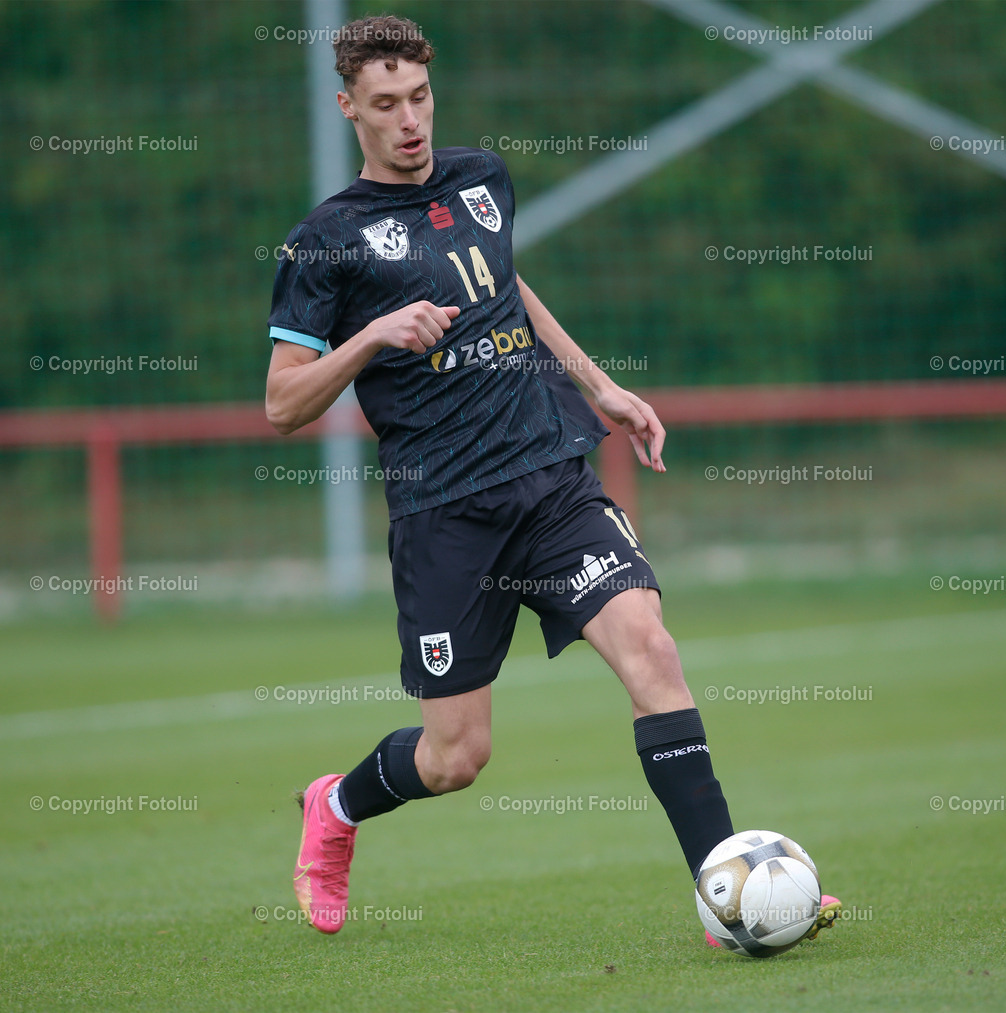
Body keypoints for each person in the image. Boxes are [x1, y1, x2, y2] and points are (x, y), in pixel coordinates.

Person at [265, 13, 837, 946]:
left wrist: (599, 383)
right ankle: (335, 807)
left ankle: (723, 893)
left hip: (548, 475)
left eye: (419, 97)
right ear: (347, 108)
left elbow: (503, 282)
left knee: (651, 647)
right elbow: (282, 405)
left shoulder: (481, 177)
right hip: (444, 512)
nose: (409, 120)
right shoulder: (323, 241)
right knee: (457, 756)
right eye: (385, 104)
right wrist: (371, 335)